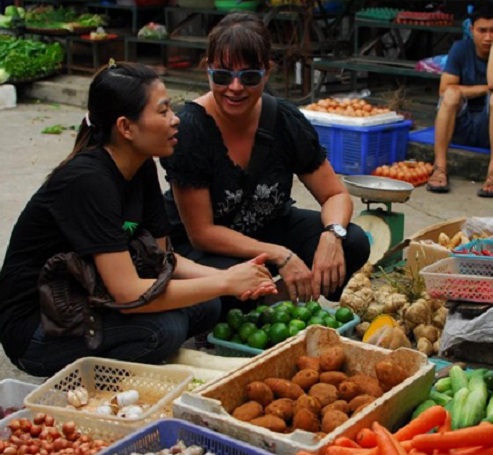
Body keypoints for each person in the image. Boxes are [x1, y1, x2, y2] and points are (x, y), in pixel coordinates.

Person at [0, 61, 277, 377]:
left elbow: (160, 261)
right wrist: (224, 281)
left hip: (90, 298)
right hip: (39, 328)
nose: (175, 120)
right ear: (126, 127)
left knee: (207, 307)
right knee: (164, 329)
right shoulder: (88, 181)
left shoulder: (140, 162)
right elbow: (130, 293)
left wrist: (231, 276)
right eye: (162, 112)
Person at [160, 12, 370, 309]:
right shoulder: (191, 129)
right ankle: (278, 295)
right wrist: (280, 255)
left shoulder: (283, 120)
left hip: (269, 228)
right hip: (206, 248)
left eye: (249, 76)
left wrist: (332, 235)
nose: (235, 87)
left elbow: (335, 194)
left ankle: (275, 294)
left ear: (267, 72)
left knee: (354, 242)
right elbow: (202, 233)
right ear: (207, 70)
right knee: (225, 290)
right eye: (222, 75)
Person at [426, 2, 493, 197]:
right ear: (471, 29)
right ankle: (439, 167)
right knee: (451, 94)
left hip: (492, 132)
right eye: (482, 30)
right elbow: (444, 90)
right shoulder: (460, 48)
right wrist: (484, 89)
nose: (488, 37)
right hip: (459, 128)